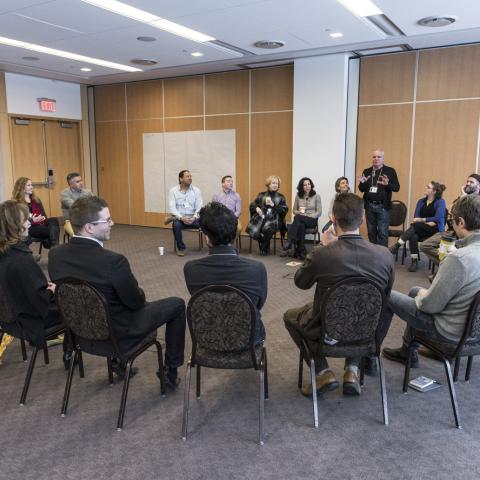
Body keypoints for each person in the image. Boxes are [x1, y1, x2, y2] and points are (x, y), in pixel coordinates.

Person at [48, 196, 186, 386]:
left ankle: (117, 362)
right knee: (177, 305)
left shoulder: (55, 255)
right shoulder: (113, 262)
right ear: (89, 227)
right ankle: (170, 372)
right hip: (118, 334)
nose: (112, 224)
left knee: (112, 300)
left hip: (80, 332)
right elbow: (136, 302)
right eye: (107, 220)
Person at [283, 193, 394, 397]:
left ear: (333, 219)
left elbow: (301, 282)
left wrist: (322, 246)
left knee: (290, 316)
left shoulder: (322, 254)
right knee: (363, 310)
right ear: (362, 218)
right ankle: (352, 370)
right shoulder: (384, 255)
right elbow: (385, 298)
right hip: (367, 331)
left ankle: (323, 372)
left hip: (327, 331)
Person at [383, 195, 480, 368]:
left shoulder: (459, 258)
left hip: (450, 334)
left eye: (452, 221)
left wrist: (423, 295)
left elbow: (429, 306)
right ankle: (407, 352)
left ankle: (370, 356)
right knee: (415, 290)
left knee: (386, 294)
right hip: (474, 334)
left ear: (461, 222)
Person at [184, 202, 267, 344]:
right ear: (235, 234)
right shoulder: (257, 269)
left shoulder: (190, 269)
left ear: (206, 237)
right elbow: (257, 305)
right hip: (248, 340)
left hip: (208, 339)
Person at [0, 200, 71, 367]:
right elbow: (39, 301)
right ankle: (70, 352)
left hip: (8, 318)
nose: (29, 223)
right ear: (15, 226)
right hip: (32, 320)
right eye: (25, 220)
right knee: (75, 301)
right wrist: (52, 290)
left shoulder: (5, 253)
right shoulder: (21, 259)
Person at [420, 174, 480, 265]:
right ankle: (449, 263)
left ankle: (450, 264)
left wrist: (463, 197)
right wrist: (462, 197)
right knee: (425, 245)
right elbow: (451, 210)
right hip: (452, 231)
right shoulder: (462, 197)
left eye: (471, 182)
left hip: (469, 233)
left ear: (478, 185)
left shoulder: (477, 201)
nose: (468, 183)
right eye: (467, 181)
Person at [390, 181, 446, 272]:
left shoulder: (440, 202)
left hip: (435, 230)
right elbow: (416, 217)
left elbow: (438, 218)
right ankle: (414, 260)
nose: (425, 188)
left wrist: (423, 220)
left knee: (415, 226)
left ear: (434, 191)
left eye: (428, 187)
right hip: (422, 227)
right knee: (413, 236)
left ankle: (397, 245)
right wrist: (428, 221)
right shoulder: (421, 201)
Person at [358, 150, 400, 247]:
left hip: (383, 206)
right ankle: (374, 253)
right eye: (374, 157)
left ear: (383, 158)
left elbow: (397, 188)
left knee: (383, 233)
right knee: (371, 232)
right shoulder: (367, 171)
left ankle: (382, 254)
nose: (376, 159)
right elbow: (361, 189)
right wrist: (363, 183)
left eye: (379, 157)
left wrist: (387, 184)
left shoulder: (390, 171)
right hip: (369, 206)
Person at [12, 177, 60, 249]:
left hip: (40, 223)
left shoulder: (36, 200)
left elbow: (44, 215)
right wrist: (32, 220)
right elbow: (18, 221)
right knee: (52, 230)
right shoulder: (16, 203)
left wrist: (42, 218)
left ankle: (53, 246)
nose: (32, 187)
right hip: (29, 227)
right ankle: (54, 247)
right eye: (29, 185)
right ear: (21, 187)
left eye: (31, 185)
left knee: (53, 220)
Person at [281, 177, 321, 259]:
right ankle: (301, 250)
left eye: (309, 184)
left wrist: (308, 216)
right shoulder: (298, 196)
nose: (307, 186)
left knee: (297, 218)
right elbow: (294, 210)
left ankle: (290, 241)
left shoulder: (317, 196)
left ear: (311, 185)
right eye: (305, 185)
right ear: (301, 187)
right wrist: (298, 212)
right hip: (301, 219)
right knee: (301, 224)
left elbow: (319, 212)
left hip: (312, 220)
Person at [247, 175, 288, 255]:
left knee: (269, 228)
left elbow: (284, 210)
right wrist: (256, 208)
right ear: (268, 184)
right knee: (250, 228)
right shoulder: (261, 195)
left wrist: (273, 205)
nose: (275, 185)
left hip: (275, 219)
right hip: (261, 217)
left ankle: (263, 247)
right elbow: (252, 204)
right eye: (273, 183)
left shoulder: (281, 197)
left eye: (277, 183)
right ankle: (263, 241)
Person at [167, 170, 203, 256]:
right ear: (181, 179)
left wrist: (194, 217)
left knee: (207, 223)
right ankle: (181, 248)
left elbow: (199, 207)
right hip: (181, 219)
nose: (190, 178)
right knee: (176, 225)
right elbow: (172, 208)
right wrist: (181, 218)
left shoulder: (196, 190)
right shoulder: (173, 191)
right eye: (187, 176)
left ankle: (212, 246)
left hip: (194, 218)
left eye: (190, 176)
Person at [60, 172, 93, 238]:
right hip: (71, 221)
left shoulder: (88, 192)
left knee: (97, 231)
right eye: (78, 182)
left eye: (81, 180)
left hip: (87, 219)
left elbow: (95, 204)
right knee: (80, 236)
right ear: (71, 184)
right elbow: (74, 206)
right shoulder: (65, 193)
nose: (81, 183)